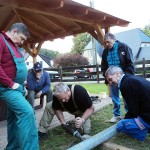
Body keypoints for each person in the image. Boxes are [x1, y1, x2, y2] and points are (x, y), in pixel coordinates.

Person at [0, 23, 39, 149]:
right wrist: (11, 84)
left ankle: (12, 148)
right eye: (21, 38)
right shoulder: (1, 40)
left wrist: (22, 86)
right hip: (7, 88)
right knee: (27, 113)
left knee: (13, 120)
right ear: (15, 31)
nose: (22, 42)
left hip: (18, 88)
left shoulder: (14, 45)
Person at [105, 65, 150, 141]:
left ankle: (141, 133)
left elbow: (133, 112)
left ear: (117, 74)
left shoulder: (126, 84)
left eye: (110, 79)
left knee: (120, 125)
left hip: (148, 117)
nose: (110, 83)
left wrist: (125, 119)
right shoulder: (131, 78)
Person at [101, 33, 135, 122]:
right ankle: (116, 115)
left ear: (114, 39)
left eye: (108, 42)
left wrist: (127, 77)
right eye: (105, 43)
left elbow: (130, 64)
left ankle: (129, 115)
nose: (107, 44)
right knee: (114, 98)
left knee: (127, 97)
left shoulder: (124, 47)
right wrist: (107, 76)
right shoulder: (105, 51)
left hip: (123, 78)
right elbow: (103, 66)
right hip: (112, 79)